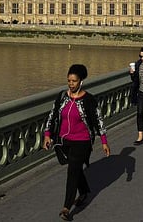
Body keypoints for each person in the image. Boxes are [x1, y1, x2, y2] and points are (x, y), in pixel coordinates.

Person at [43, 64, 110, 221]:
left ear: (81, 81)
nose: (71, 84)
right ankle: (84, 191)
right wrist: (47, 135)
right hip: (63, 140)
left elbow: (98, 120)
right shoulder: (62, 97)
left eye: (74, 81)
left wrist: (104, 141)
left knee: (72, 170)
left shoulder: (89, 100)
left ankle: (66, 208)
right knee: (75, 167)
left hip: (82, 141)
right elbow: (52, 115)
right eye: (69, 81)